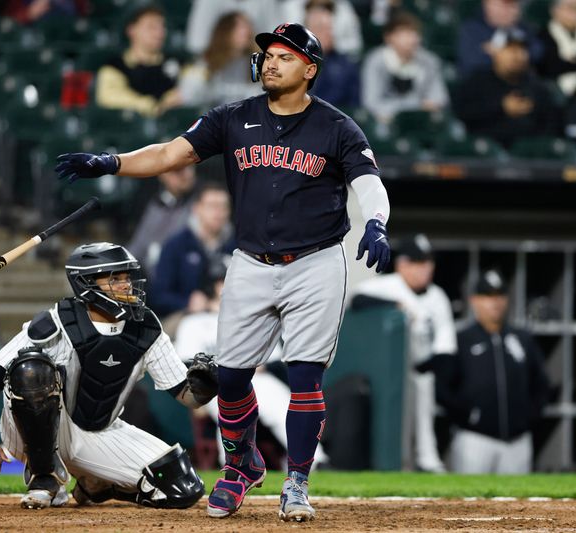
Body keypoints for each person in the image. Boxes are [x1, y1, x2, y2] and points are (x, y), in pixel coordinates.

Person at [54, 22, 392, 522]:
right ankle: (242, 464)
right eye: (268, 55)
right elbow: (171, 153)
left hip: (316, 262)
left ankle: (296, 481)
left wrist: (378, 224)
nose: (270, 62)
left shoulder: (337, 127)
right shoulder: (233, 118)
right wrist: (111, 162)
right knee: (230, 377)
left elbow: (368, 181)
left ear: (309, 68)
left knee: (304, 376)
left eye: (284, 55)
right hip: (252, 260)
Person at [0, 242, 218, 509]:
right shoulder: (58, 321)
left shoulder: (145, 326)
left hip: (99, 429)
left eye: (127, 277)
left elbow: (189, 397)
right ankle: (44, 476)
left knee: (182, 488)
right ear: (86, 283)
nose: (126, 285)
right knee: (31, 371)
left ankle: (96, 486)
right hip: (35, 433)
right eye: (115, 278)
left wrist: (209, 384)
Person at [173, 258, 329, 470]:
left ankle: (313, 462)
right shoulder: (194, 322)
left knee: (282, 403)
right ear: (214, 285)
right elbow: (185, 362)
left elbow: (274, 361)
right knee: (228, 405)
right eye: (225, 281)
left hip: (257, 378)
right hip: (214, 383)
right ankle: (233, 466)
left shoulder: (256, 317)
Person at [350, 234, 456, 473]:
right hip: (387, 373)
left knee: (424, 416)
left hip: (422, 369)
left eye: (428, 263)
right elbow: (357, 299)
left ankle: (429, 461)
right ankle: (399, 463)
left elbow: (445, 347)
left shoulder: (437, 296)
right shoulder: (388, 285)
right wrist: (394, 306)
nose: (426, 269)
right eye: (419, 263)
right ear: (403, 264)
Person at [435, 269, 550, 474]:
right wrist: (465, 415)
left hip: (517, 440)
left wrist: (527, 417)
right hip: (474, 439)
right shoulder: (461, 339)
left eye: (499, 296)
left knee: (517, 503)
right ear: (474, 300)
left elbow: (541, 383)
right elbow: (442, 387)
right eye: (488, 296)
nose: (495, 302)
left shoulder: (521, 338)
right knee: (469, 502)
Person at [453, 27, 561, 148]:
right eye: (510, 49)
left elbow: (551, 126)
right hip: (484, 155)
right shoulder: (477, 82)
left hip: (529, 157)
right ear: (495, 52)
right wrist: (501, 107)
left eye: (522, 50)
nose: (517, 55)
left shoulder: (538, 87)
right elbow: (463, 115)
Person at [149, 182, 236, 322]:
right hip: (185, 318)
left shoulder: (238, 244)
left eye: (224, 206)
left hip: (230, 316)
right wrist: (187, 302)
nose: (219, 212)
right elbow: (158, 295)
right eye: (212, 206)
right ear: (197, 208)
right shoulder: (176, 245)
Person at [361, 11, 449, 125]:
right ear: (389, 37)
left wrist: (426, 106)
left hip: (422, 122)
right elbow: (371, 103)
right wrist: (416, 105)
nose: (412, 39)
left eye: (415, 33)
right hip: (387, 122)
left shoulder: (429, 61)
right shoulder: (375, 61)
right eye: (405, 33)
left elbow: (440, 98)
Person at [95, 3, 182, 117]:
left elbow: (197, 82)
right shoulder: (115, 66)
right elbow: (107, 96)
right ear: (131, 30)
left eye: (162, 26)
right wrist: (151, 105)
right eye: (151, 27)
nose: (160, 33)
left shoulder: (178, 62)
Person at [178, 11, 262, 108]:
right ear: (224, 32)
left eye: (247, 27)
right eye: (238, 27)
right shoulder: (206, 63)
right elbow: (187, 95)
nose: (246, 32)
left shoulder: (259, 63)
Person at [126, 166, 197, 273]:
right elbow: (137, 246)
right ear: (163, 175)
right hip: (151, 272)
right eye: (176, 172)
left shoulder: (202, 199)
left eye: (188, 168)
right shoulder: (154, 202)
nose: (184, 175)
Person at [457, 0, 544, 78]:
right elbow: (471, 62)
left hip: (520, 81)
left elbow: (537, 50)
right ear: (487, 4)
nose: (508, 11)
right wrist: (507, 57)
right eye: (502, 5)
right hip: (485, 83)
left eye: (512, 6)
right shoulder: (471, 29)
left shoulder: (522, 28)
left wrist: (499, 53)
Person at [305, 0, 361, 109]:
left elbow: (354, 110)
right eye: (321, 28)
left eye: (330, 28)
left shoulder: (346, 67)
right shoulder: (291, 63)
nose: (328, 33)